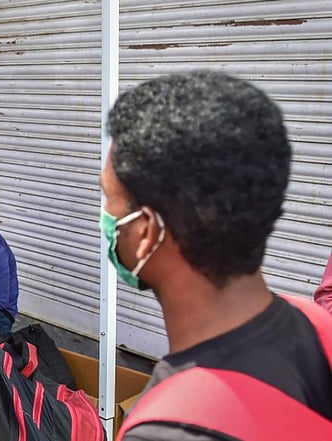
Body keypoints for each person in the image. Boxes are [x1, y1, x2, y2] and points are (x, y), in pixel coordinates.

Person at [99, 70, 332, 440]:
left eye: (108, 198)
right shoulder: (317, 325)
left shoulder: (170, 429)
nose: (106, 216)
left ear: (146, 233)